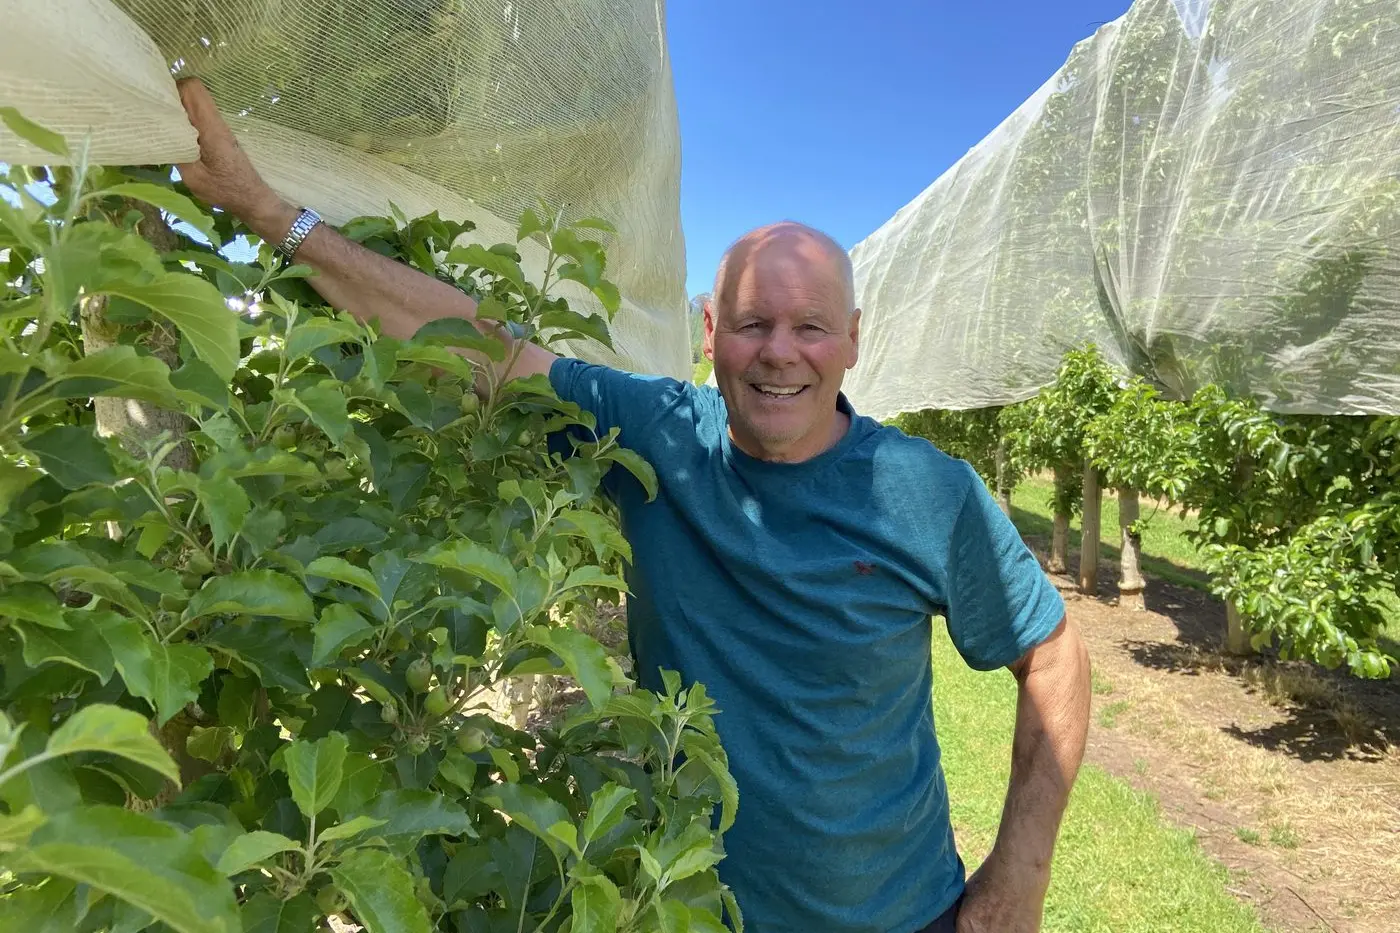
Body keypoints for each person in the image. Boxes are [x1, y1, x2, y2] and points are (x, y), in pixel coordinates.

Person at [174, 77, 1091, 933]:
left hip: (903, 914)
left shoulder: (924, 491)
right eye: (752, 324)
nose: (781, 352)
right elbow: (473, 347)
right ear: (708, 334)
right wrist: (269, 214)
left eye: (811, 326)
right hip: (686, 907)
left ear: (853, 340)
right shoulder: (656, 436)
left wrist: (1019, 876)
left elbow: (1051, 652)